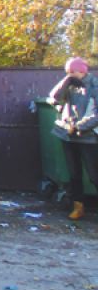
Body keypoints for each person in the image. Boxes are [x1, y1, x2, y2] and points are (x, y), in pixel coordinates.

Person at [49, 56, 98, 220]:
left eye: (72, 71)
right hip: (68, 135)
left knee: (94, 174)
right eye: (67, 72)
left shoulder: (94, 86)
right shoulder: (69, 85)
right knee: (74, 174)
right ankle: (78, 206)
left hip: (89, 137)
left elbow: (96, 114)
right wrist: (65, 81)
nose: (70, 74)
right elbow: (54, 99)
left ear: (82, 70)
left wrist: (79, 127)